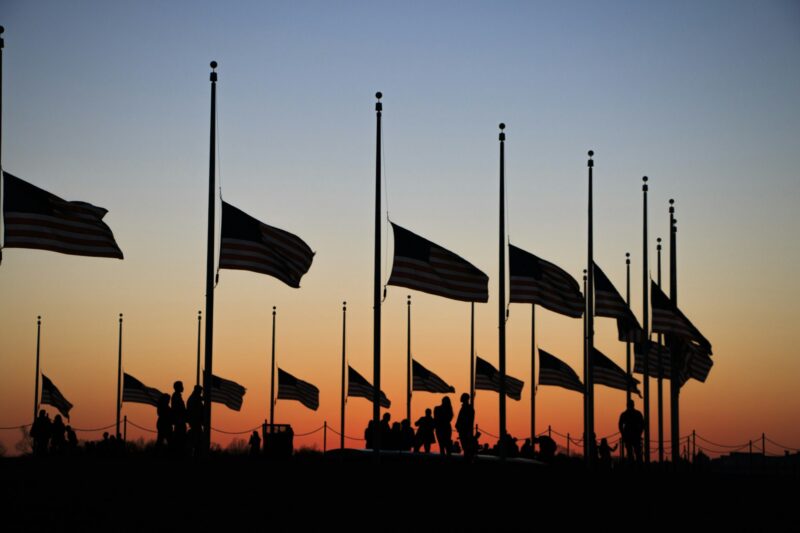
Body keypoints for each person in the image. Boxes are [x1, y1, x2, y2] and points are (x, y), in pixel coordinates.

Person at [618, 399, 644, 465]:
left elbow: (620, 425)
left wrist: (623, 434)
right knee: (637, 453)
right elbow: (643, 424)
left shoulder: (624, 414)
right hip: (635, 435)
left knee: (631, 453)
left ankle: (632, 466)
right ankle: (638, 466)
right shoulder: (637, 413)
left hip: (629, 436)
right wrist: (639, 433)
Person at [455, 393, 476, 461]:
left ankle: (467, 460)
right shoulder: (466, 408)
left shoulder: (468, 408)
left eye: (462, 397)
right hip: (463, 430)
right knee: (465, 447)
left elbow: (468, 421)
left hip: (465, 431)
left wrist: (460, 426)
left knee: (466, 447)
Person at [186, 385, 204, 456]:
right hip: (195, 422)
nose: (201, 392)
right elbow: (197, 411)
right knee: (197, 442)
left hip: (195, 422)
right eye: (200, 391)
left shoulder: (194, 398)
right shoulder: (194, 399)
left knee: (198, 441)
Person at [171, 381, 187, 453]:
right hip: (179, 421)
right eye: (181, 386)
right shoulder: (176, 396)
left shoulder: (177, 396)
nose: (183, 387)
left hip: (180, 421)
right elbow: (179, 409)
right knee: (179, 440)